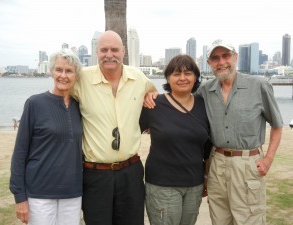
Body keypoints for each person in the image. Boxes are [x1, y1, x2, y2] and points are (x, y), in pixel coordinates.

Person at [144, 40, 283, 225]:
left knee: (250, 219)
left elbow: (277, 125)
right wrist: (150, 93)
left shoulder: (258, 85)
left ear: (235, 57)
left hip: (247, 164)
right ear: (209, 63)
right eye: (215, 58)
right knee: (219, 219)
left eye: (226, 56)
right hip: (216, 164)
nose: (221, 61)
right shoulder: (205, 92)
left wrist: (268, 159)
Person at [71, 30, 157, 225]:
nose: (109, 54)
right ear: (96, 52)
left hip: (131, 171)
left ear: (123, 51)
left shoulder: (138, 78)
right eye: (104, 50)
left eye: (114, 49)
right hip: (95, 175)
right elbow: (60, 96)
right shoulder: (81, 79)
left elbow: (153, 93)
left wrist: (150, 96)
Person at [9, 49, 83, 225]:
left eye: (69, 71)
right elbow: (20, 152)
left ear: (76, 75)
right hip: (39, 193)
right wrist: (20, 197)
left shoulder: (80, 106)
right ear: (51, 72)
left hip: (72, 193)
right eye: (59, 70)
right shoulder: (35, 103)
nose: (63, 75)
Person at [140, 55, 212, 225]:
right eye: (176, 74)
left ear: (195, 77)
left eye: (187, 73)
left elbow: (208, 146)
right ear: (167, 78)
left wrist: (207, 177)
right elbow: (131, 132)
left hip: (194, 184)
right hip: (162, 184)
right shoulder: (154, 104)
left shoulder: (204, 105)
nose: (182, 78)